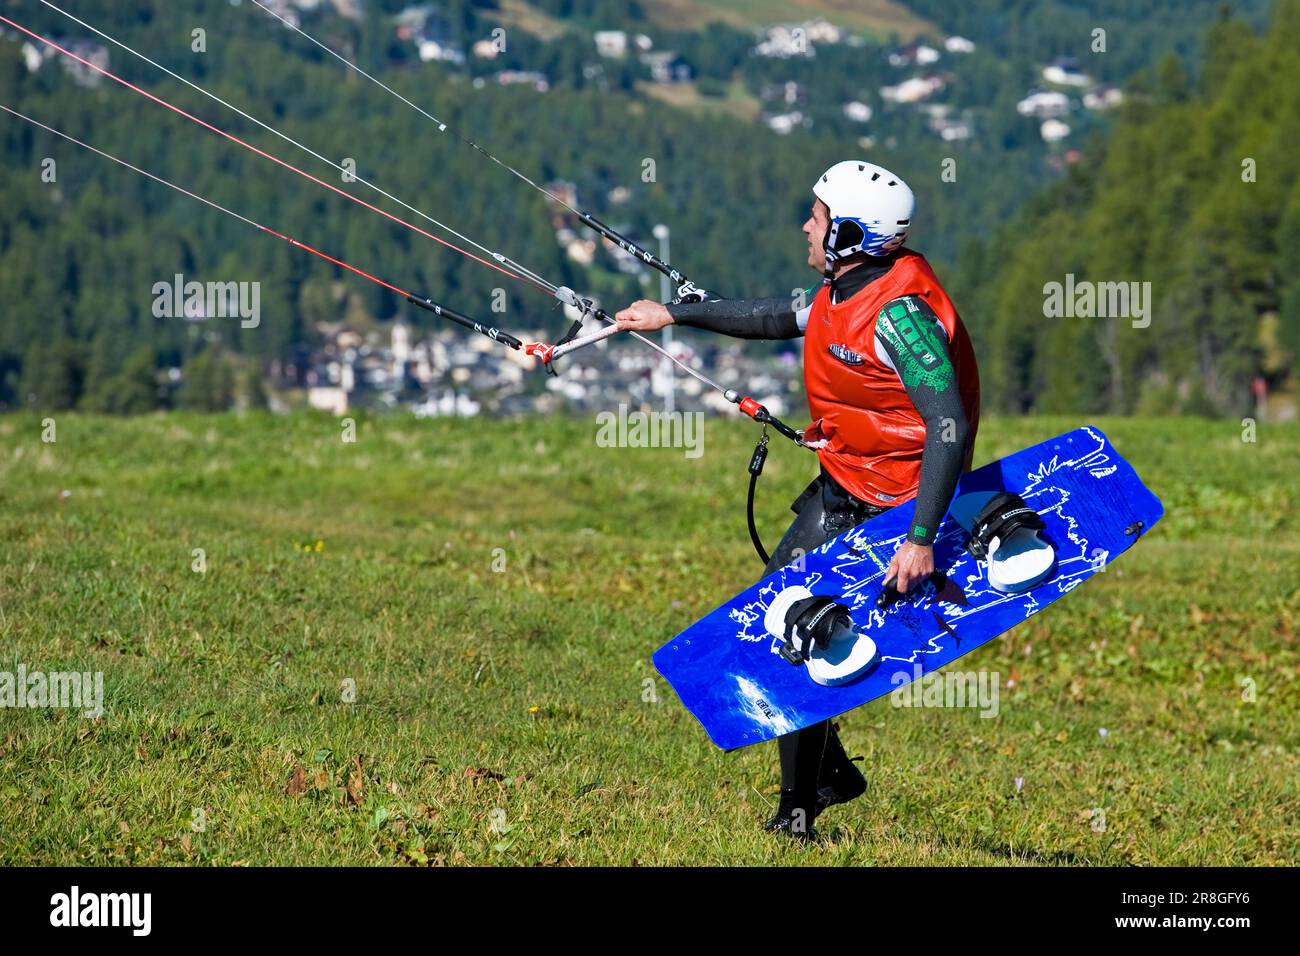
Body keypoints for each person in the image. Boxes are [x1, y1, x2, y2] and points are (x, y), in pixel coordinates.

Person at [616, 160, 981, 840]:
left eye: (815, 218)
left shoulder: (901, 319)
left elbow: (949, 423)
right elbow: (774, 316)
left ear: (845, 234)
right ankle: (823, 782)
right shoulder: (845, 290)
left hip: (895, 507)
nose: (804, 227)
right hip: (844, 481)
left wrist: (923, 535)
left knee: (806, 630)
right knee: (782, 620)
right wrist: (673, 314)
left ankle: (798, 809)